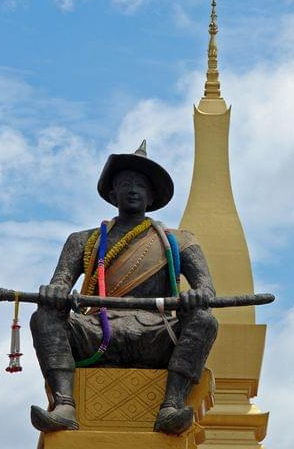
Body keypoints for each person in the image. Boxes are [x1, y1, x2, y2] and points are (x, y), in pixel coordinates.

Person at [30, 141, 218, 435]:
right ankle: (65, 404)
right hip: (98, 332)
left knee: (205, 320)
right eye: (126, 183)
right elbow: (61, 283)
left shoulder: (179, 242)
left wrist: (196, 297)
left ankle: (171, 405)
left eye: (141, 185)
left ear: (151, 195)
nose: (133, 190)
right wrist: (55, 294)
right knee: (44, 316)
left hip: (156, 334)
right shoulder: (83, 241)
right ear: (111, 193)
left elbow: (207, 289)